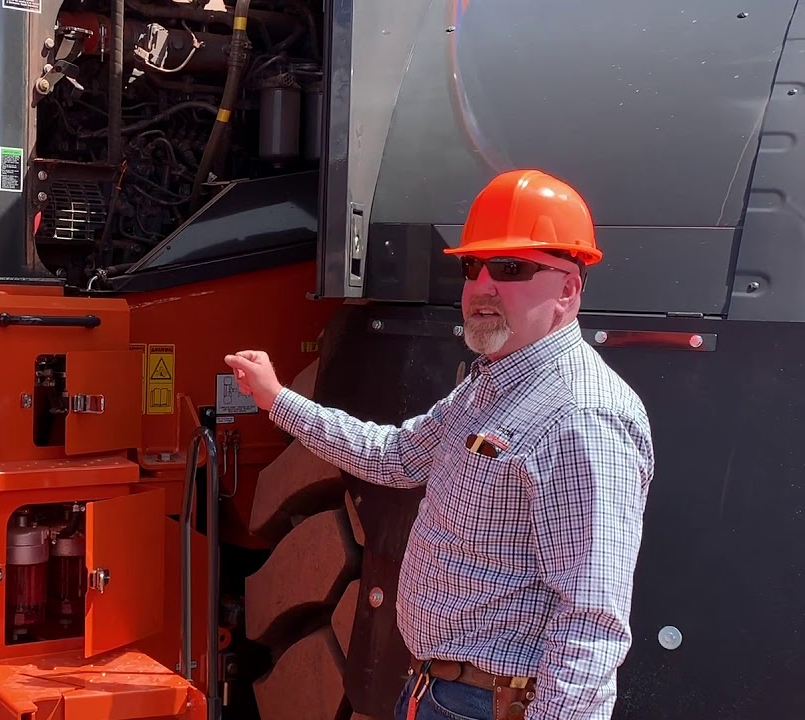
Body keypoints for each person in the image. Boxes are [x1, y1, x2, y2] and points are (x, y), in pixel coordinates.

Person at [225, 169, 654, 720]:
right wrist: (278, 400)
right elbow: (395, 456)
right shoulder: (490, 385)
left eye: (510, 268)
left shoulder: (583, 418)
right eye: (473, 267)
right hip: (436, 691)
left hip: (490, 704)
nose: (482, 286)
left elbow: (592, 620)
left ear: (568, 289)